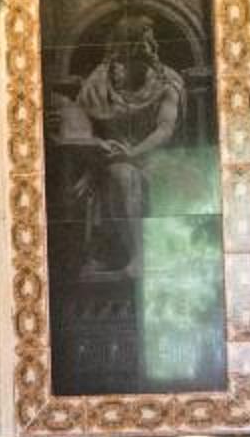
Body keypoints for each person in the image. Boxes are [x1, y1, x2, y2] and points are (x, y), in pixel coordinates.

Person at [72, 23, 184, 277]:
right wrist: (97, 150)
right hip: (110, 158)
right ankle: (110, 253)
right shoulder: (101, 81)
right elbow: (78, 123)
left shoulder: (167, 82)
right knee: (119, 173)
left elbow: (164, 131)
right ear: (126, 47)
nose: (153, 48)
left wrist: (132, 153)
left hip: (156, 158)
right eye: (145, 42)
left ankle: (141, 257)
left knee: (125, 175)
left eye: (152, 41)